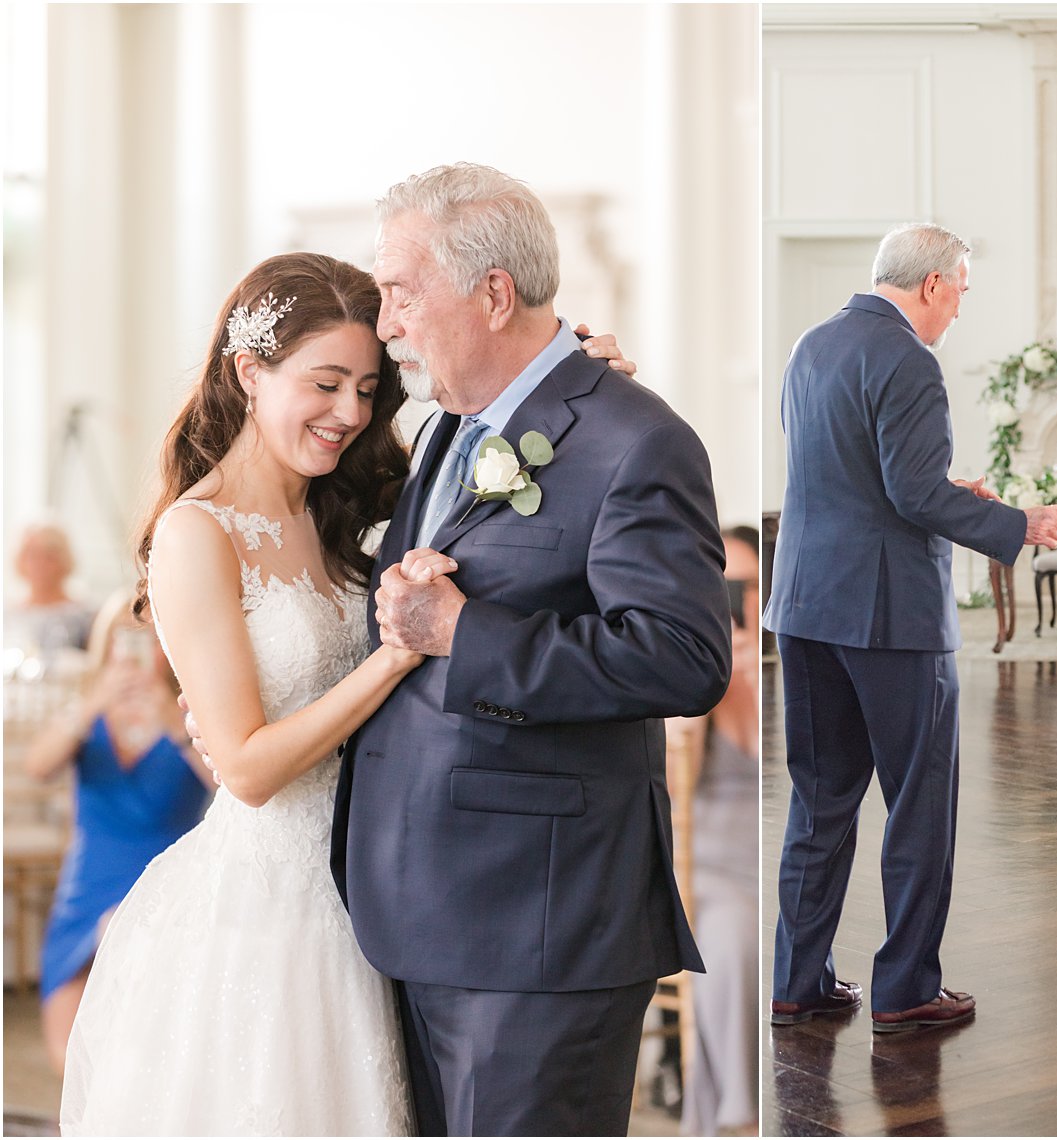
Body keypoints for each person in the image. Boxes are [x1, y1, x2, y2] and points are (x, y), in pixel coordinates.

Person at [59, 247, 637, 1134]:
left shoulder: (357, 505)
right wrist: (400, 652)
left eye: (368, 389)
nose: (349, 413)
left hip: (381, 887)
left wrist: (580, 382)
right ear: (249, 371)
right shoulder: (195, 534)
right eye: (325, 384)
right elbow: (248, 770)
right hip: (268, 914)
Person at [336, 162, 730, 1137]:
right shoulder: (442, 434)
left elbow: (683, 657)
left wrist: (468, 635)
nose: (388, 323)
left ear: (492, 292)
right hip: (417, 915)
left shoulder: (635, 441)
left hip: (539, 930)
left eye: (400, 290)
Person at [764, 223, 1057, 1033]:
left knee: (821, 799)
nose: (958, 312)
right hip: (889, 615)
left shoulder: (812, 346)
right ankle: (906, 989)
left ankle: (798, 982)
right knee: (918, 803)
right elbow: (909, 497)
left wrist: (943, 488)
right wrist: (1018, 522)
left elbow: (848, 473)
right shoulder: (909, 357)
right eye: (963, 294)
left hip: (804, 606)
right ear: (934, 284)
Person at [27, 589, 213, 1074]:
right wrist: (90, 707)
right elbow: (37, 766)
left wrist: (176, 723)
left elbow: (230, 787)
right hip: (86, 893)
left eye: (149, 642)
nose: (133, 655)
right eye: (122, 642)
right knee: (72, 1065)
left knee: (142, 1064)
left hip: (167, 893)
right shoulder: (86, 714)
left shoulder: (195, 712)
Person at [674, 524, 761, 1137]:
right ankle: (738, 1115)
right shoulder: (688, 669)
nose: (733, 601)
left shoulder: (786, 666)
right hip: (705, 855)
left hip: (775, 851)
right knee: (733, 936)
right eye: (718, 589)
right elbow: (672, 785)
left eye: (744, 587)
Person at [6, 523, 95, 655]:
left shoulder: (85, 616)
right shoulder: (8, 615)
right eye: (32, 555)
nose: (40, 564)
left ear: (64, 560)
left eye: (49, 556)